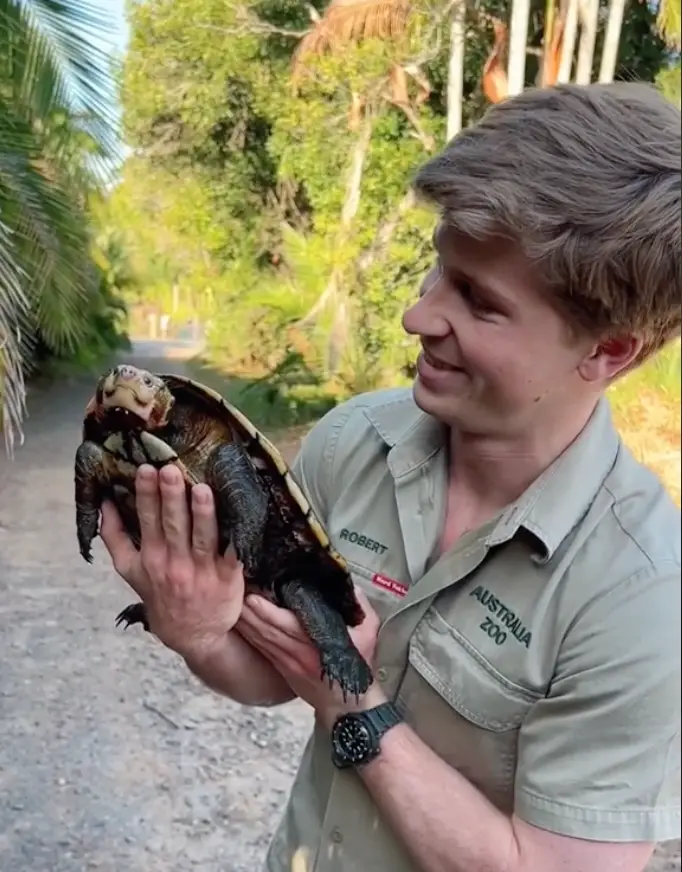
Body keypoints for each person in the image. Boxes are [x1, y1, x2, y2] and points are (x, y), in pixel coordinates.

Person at [100, 80, 681, 872]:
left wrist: (354, 700)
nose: (418, 317)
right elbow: (277, 676)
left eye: (477, 302)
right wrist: (200, 630)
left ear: (609, 351)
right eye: (437, 271)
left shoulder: (641, 594)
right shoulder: (354, 440)